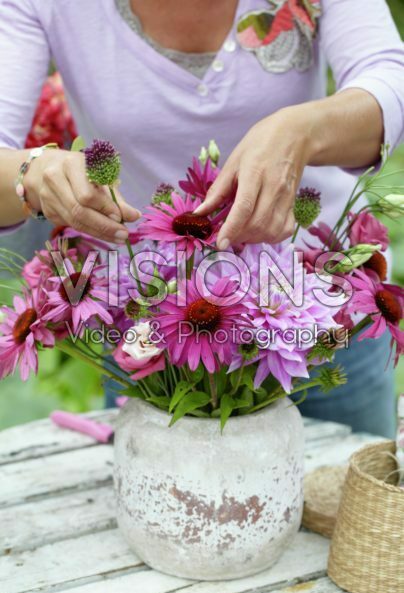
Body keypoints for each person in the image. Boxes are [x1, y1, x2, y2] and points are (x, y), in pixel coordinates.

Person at [0, 0, 403, 436]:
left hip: (317, 310)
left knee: (351, 493)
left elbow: (389, 77)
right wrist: (32, 172)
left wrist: (302, 130)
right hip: (153, 322)